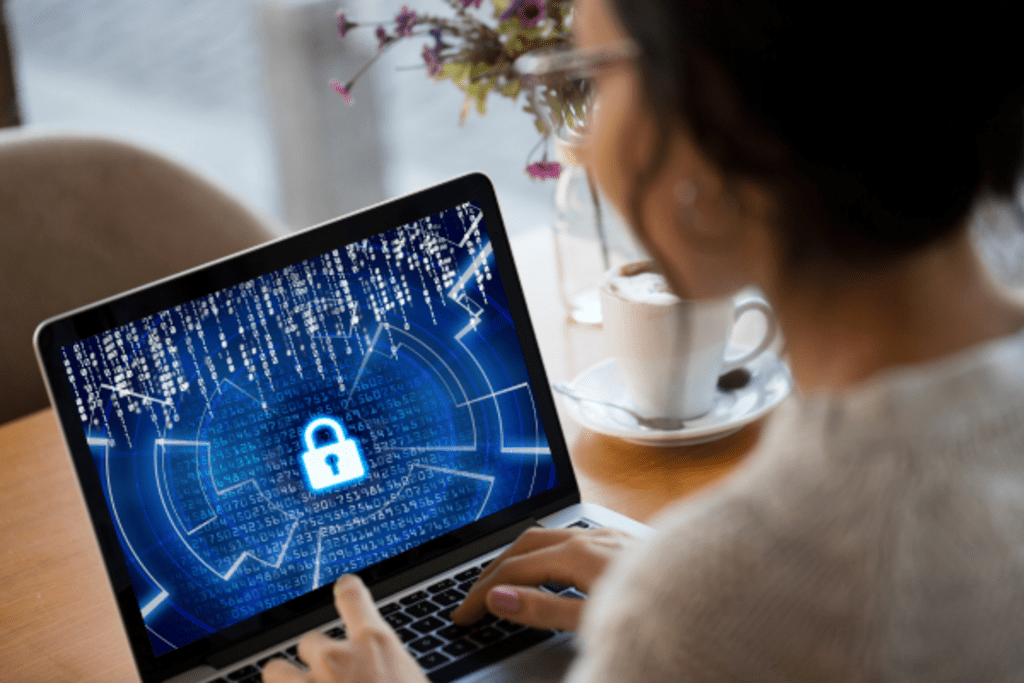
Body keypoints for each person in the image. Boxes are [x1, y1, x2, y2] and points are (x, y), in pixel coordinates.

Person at [264, 0, 1024, 680]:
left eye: (593, 78)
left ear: (715, 132)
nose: (578, 150)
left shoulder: (715, 608)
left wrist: (696, 605)